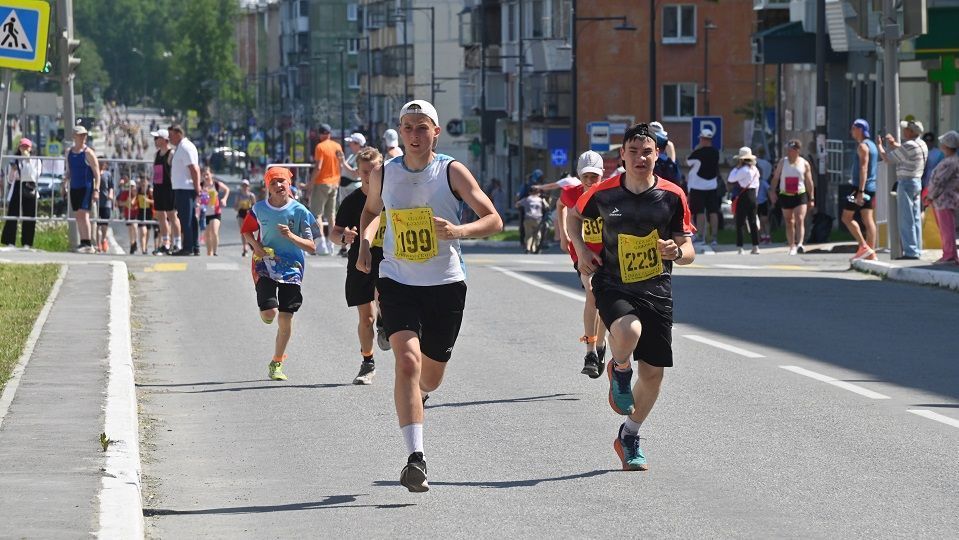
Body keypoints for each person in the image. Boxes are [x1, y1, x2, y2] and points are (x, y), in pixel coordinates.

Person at [356, 99, 503, 492]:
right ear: (400, 132)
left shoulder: (451, 171)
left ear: (436, 132)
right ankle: (415, 457)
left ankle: (420, 394)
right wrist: (365, 245)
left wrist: (458, 232)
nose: (415, 134)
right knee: (406, 362)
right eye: (408, 127)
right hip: (397, 280)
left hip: (446, 284)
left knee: (431, 377)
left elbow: (493, 219)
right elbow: (371, 212)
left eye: (423, 127)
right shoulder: (384, 174)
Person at [566, 123, 695, 472]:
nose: (641, 157)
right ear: (622, 155)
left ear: (657, 155)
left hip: (657, 289)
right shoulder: (604, 193)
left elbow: (689, 249)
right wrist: (580, 249)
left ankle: (629, 435)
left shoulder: (672, 195)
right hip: (613, 283)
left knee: (653, 375)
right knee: (628, 331)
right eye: (633, 151)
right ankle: (619, 368)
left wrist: (676, 252)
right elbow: (573, 217)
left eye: (647, 151)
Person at [240, 166, 319, 381]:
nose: (278, 185)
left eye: (282, 181)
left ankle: (277, 362)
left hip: (292, 268)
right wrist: (256, 246)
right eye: (273, 182)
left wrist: (292, 236)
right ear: (268, 187)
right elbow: (246, 230)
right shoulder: (259, 209)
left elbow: (312, 247)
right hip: (265, 264)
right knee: (269, 314)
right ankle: (264, 308)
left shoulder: (300, 211)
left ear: (289, 184)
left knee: (285, 319)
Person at [331, 147, 388, 385]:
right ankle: (368, 363)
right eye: (364, 171)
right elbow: (333, 233)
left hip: (389, 259)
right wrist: (345, 237)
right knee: (366, 318)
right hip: (360, 261)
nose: (368, 175)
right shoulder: (352, 201)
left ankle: (386, 321)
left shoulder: (394, 196)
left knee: (384, 302)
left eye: (374, 170)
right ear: (358, 172)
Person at [556, 150, 608, 378]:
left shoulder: (609, 193)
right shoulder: (571, 193)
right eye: (586, 176)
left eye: (594, 176)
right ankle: (590, 352)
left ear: (602, 175)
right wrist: (563, 233)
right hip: (582, 254)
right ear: (579, 175)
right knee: (592, 294)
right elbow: (560, 205)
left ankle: (601, 344)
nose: (590, 181)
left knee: (605, 300)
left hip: (608, 255)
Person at [877, 119, 928, 260]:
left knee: (906, 219)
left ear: (911, 131)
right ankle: (916, 248)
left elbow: (888, 158)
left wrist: (880, 146)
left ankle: (910, 252)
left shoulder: (910, 145)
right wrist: (894, 144)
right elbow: (904, 151)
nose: (903, 131)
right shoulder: (921, 143)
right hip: (916, 182)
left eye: (906, 129)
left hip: (906, 183)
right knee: (915, 218)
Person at [769, 140, 815, 255]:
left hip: (800, 194)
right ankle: (792, 246)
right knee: (789, 221)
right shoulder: (782, 162)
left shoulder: (804, 163)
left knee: (799, 219)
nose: (788, 152)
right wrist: (773, 192)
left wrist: (812, 197)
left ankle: (800, 244)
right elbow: (775, 178)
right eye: (787, 150)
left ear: (797, 150)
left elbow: (809, 182)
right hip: (785, 194)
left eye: (791, 150)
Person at [842, 119, 879, 261]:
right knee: (867, 218)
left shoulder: (863, 146)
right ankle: (871, 253)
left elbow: (863, 168)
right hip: (870, 187)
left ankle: (864, 246)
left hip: (859, 188)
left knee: (846, 217)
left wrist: (860, 191)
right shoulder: (872, 145)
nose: (851, 130)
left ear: (860, 129)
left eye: (853, 128)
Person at [64, 125, 101, 253]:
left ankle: (88, 243)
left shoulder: (88, 153)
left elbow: (97, 173)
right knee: (78, 215)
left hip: (86, 187)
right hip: (74, 187)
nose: (83, 137)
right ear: (74, 136)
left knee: (84, 214)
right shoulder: (69, 152)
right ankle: (83, 241)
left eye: (84, 135)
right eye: (80, 135)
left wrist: (96, 190)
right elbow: (69, 171)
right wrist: (64, 183)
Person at [926, 131, 959, 265]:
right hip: (947, 199)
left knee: (947, 229)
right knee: (947, 228)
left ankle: (949, 255)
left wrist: (930, 196)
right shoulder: (952, 160)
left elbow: (939, 181)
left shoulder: (949, 162)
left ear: (947, 145)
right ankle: (948, 254)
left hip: (944, 199)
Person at [310, 123, 344, 255]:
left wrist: (310, 184)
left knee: (317, 214)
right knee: (331, 215)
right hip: (335, 182)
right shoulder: (337, 146)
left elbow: (318, 167)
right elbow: (341, 164)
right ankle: (332, 244)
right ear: (329, 133)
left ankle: (321, 243)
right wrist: (338, 179)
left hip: (322, 182)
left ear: (320, 134)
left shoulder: (320, 147)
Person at [168, 124, 201, 256]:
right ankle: (194, 245)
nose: (170, 139)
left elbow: (194, 169)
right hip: (183, 187)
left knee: (186, 219)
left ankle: (188, 247)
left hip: (185, 188)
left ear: (178, 134)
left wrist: (197, 187)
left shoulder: (185, 147)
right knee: (189, 218)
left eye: (171, 136)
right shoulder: (182, 147)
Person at [1, 138, 41, 248]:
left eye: (26, 147)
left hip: (29, 188)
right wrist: (13, 171)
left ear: (31, 148)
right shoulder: (14, 160)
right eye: (22, 147)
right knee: (13, 214)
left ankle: (27, 242)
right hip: (17, 187)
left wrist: (27, 162)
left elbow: (33, 176)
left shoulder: (36, 160)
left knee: (29, 215)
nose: (24, 149)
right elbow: (9, 179)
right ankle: (10, 241)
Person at [685, 128, 721, 250]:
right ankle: (714, 237)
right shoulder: (716, 152)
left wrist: (697, 148)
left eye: (701, 138)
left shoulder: (698, 152)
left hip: (697, 186)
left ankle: (701, 236)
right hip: (712, 185)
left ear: (703, 139)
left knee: (700, 211)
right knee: (713, 211)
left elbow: (688, 162)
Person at [727, 147, 761, 254]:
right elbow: (757, 185)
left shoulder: (742, 170)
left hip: (743, 196)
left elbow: (731, 178)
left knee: (740, 222)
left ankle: (740, 247)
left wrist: (737, 167)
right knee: (753, 221)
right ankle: (755, 246)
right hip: (753, 195)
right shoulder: (755, 169)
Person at [151, 128, 178, 255]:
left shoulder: (171, 154)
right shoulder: (156, 154)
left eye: (157, 138)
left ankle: (177, 242)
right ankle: (165, 243)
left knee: (172, 215)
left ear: (164, 140)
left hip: (169, 188)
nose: (155, 140)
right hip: (158, 188)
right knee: (161, 216)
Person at [200, 167, 230, 256]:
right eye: (204, 175)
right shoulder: (200, 186)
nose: (206, 177)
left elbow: (227, 189)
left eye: (207, 174)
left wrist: (224, 199)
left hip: (215, 213)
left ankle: (215, 251)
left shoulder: (216, 184)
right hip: (204, 214)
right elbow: (197, 197)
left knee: (214, 231)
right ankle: (209, 253)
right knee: (207, 235)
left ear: (211, 174)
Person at [516, 187, 546, 253]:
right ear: (538, 193)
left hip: (528, 218)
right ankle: (535, 248)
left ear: (530, 193)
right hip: (538, 219)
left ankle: (528, 248)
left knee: (528, 234)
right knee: (537, 234)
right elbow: (546, 207)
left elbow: (517, 204)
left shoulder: (526, 199)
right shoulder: (540, 200)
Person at [95, 160, 114, 253]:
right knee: (96, 224)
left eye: (103, 163)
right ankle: (97, 243)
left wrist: (110, 195)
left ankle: (103, 240)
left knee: (104, 223)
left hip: (106, 202)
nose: (102, 165)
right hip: (96, 202)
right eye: (100, 163)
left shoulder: (108, 174)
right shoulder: (94, 172)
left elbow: (111, 186)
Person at [115, 175, 138, 254]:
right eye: (130, 186)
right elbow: (120, 203)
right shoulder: (125, 193)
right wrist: (126, 203)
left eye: (133, 186)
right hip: (128, 213)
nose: (131, 188)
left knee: (134, 227)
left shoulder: (137, 194)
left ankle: (135, 242)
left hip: (135, 213)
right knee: (130, 230)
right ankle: (132, 244)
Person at [235, 179, 257, 257]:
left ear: (249, 187)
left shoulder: (251, 195)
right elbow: (235, 207)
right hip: (241, 214)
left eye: (246, 185)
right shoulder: (239, 195)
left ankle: (252, 245)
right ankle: (245, 248)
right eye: (243, 185)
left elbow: (255, 207)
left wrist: (250, 208)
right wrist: (239, 206)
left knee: (251, 232)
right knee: (243, 232)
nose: (245, 187)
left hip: (249, 214)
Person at [134, 175, 154, 255]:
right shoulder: (138, 191)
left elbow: (155, 201)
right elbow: (134, 199)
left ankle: (145, 246)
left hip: (149, 212)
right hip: (141, 212)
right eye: (142, 182)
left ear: (148, 183)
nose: (143, 184)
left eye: (145, 182)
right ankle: (143, 249)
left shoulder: (150, 191)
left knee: (148, 232)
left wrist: (148, 200)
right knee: (143, 231)